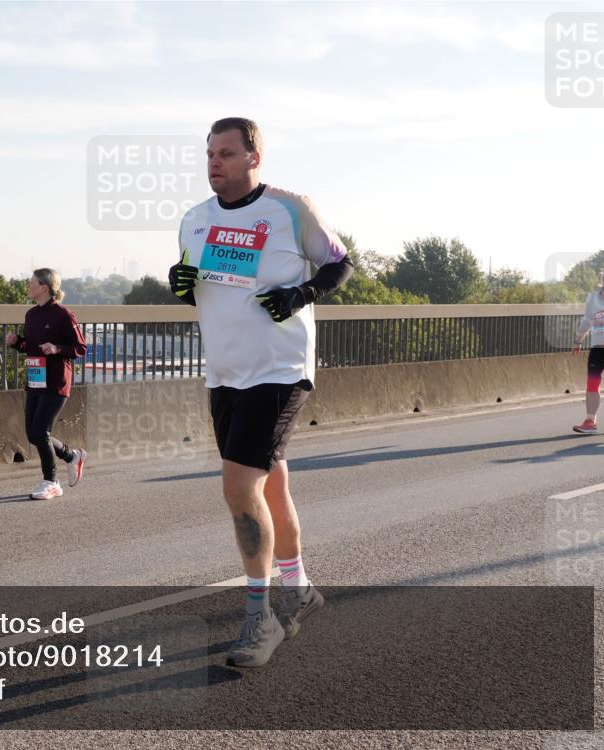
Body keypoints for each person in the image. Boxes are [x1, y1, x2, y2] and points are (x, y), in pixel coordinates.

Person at [169, 117, 353, 668]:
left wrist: (301, 293)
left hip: (279, 368)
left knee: (238, 487)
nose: (214, 163)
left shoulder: (292, 210)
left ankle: (262, 616)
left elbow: (341, 264)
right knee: (271, 483)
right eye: (208, 154)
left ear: (254, 157)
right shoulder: (194, 221)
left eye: (225, 153)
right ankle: (298, 587)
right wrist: (179, 279)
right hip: (224, 370)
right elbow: (198, 279)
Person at [5, 268, 88, 500]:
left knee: (41, 431)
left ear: (44, 287)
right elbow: (30, 348)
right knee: (33, 434)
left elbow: (80, 348)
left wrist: (57, 348)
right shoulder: (31, 315)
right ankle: (72, 457)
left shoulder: (63, 314)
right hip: (35, 379)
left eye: (32, 283)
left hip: (57, 381)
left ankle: (50, 481)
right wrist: (16, 342)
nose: (28, 286)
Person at [572, 262, 604, 434]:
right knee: (592, 383)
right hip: (598, 347)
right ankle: (590, 421)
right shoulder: (593, 297)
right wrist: (578, 340)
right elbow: (587, 319)